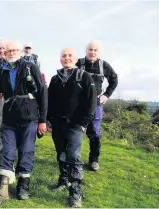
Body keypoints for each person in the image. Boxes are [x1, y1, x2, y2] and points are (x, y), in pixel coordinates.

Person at [0, 40, 48, 206]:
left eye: (14, 50)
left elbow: (42, 93)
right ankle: (2, 190)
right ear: (4, 54)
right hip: (9, 117)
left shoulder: (30, 67)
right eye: (8, 51)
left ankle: (23, 186)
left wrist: (43, 120)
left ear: (20, 51)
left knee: (27, 151)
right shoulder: (2, 71)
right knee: (7, 150)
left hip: (29, 116)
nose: (12, 53)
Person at [47, 48, 97, 208]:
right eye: (63, 56)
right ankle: (63, 181)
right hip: (57, 124)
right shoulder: (55, 79)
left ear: (75, 59)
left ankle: (75, 193)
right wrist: (48, 120)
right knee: (61, 154)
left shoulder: (84, 77)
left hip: (76, 124)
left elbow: (91, 102)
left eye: (70, 56)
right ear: (60, 59)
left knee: (74, 157)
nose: (66, 58)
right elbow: (49, 101)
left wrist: (84, 123)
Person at [75, 40, 118, 171]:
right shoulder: (78, 63)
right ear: (86, 50)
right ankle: (73, 159)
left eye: (95, 50)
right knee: (75, 130)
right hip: (78, 103)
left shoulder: (104, 65)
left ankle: (93, 160)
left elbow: (114, 79)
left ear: (99, 52)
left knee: (94, 132)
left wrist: (106, 95)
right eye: (90, 49)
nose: (92, 52)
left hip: (96, 103)